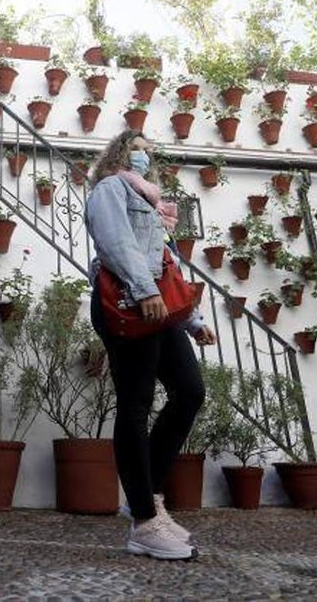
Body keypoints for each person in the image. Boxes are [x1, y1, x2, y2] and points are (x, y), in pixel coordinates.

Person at [84, 130, 217, 561]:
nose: (143, 157)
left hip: (158, 303)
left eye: (148, 151)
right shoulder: (110, 188)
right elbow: (115, 243)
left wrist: (193, 320)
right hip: (129, 301)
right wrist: (143, 290)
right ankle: (144, 521)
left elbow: (164, 263)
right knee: (136, 404)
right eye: (136, 150)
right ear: (120, 154)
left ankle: (146, 497)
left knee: (190, 391)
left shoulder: (151, 202)